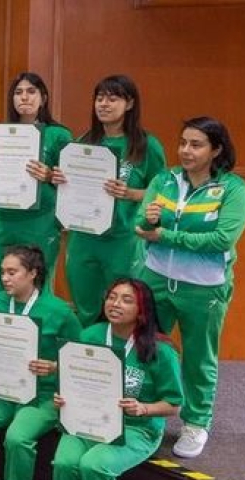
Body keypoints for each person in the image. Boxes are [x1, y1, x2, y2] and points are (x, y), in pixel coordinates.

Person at [136, 116, 245, 458]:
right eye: (183, 142)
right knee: (146, 351)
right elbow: (141, 225)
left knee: (198, 359)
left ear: (216, 149)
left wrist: (166, 235)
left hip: (204, 289)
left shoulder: (233, 189)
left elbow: (221, 238)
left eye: (196, 144)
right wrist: (149, 220)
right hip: (155, 280)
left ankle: (196, 422)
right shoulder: (165, 179)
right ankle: (142, 414)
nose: (186, 150)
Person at [52, 278, 183, 480]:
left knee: (93, 465)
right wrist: (63, 397)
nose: (115, 304)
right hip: (86, 420)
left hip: (137, 427)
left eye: (126, 300)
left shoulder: (160, 350)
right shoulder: (91, 335)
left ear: (142, 310)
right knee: (64, 463)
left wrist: (144, 408)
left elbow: (174, 404)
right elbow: (74, 379)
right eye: (112, 297)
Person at [0, 245, 81, 480]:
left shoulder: (60, 312)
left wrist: (55, 367)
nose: (4, 278)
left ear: (33, 273)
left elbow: (79, 360)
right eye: (2, 272)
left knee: (17, 438)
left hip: (41, 395)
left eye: (12, 272)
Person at [60, 75, 166, 324]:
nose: (104, 104)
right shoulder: (84, 141)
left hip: (122, 239)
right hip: (83, 237)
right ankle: (89, 359)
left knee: (123, 309)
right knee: (85, 307)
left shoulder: (146, 145)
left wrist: (131, 194)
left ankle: (120, 360)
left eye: (112, 98)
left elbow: (163, 194)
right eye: (99, 98)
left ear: (129, 104)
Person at [0, 72, 73, 288]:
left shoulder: (59, 135)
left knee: (37, 288)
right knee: (3, 285)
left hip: (39, 222)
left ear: (44, 98)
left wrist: (49, 175)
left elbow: (73, 184)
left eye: (31, 92)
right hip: (0, 220)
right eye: (18, 92)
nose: (24, 97)